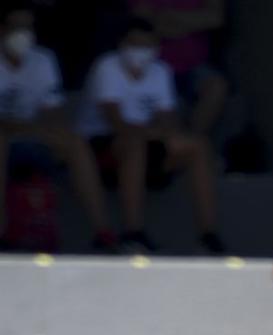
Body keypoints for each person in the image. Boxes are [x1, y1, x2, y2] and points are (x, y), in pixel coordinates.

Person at [75, 15, 221, 255]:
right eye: (135, 44)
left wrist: (166, 132)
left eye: (147, 45)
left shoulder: (160, 70)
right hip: (103, 150)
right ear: (121, 44)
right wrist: (155, 131)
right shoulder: (106, 66)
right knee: (134, 144)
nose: (141, 51)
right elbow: (116, 122)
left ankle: (208, 234)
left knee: (197, 145)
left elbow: (168, 117)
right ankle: (133, 232)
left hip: (149, 145)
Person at [0, 3, 115, 251]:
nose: (24, 33)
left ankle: (103, 232)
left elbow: (53, 112)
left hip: (31, 135)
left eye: (28, 26)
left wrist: (35, 128)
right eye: (17, 26)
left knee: (74, 142)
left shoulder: (43, 59)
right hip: (5, 138)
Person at [128, 0, 227, 140]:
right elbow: (142, 21)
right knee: (169, 112)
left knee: (217, 87)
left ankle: (191, 145)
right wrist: (192, 21)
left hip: (195, 66)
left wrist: (173, 19)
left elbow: (215, 18)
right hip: (155, 66)